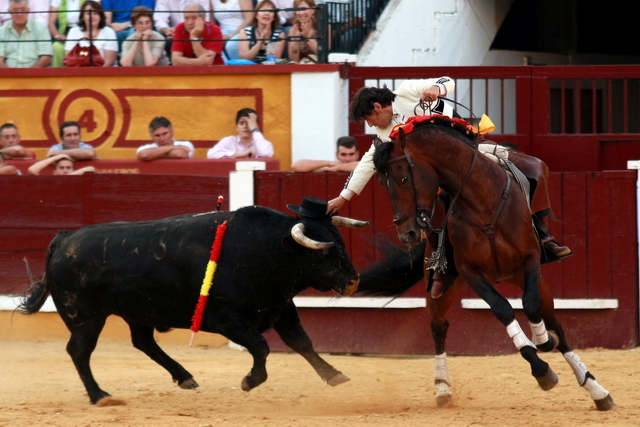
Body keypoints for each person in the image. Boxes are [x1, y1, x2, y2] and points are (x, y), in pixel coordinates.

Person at [327, 78, 571, 260]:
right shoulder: (382, 133)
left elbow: (446, 81)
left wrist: (436, 89)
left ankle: (543, 236)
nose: (370, 124)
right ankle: (439, 262)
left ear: (379, 107)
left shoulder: (405, 92)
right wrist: (343, 197)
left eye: (369, 118)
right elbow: (368, 163)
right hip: (440, 175)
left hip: (469, 148)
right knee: (431, 206)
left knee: (534, 168)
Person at [64, 1, 118, 67]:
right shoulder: (73, 32)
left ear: (100, 16)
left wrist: (94, 75)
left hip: (104, 74)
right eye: (88, 13)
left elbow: (109, 62)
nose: (92, 16)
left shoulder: (109, 32)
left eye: (95, 13)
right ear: (82, 16)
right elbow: (70, 59)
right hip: (79, 74)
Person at [0, 0, 52, 68]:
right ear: (9, 12)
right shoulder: (2, 31)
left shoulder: (41, 28)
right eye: (15, 10)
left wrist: (29, 75)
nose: (19, 14)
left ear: (28, 11)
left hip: (35, 76)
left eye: (23, 10)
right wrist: (10, 76)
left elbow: (46, 58)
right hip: (9, 76)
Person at [207, 108, 274, 158]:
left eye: (248, 123)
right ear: (237, 127)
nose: (245, 126)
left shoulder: (261, 143)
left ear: (254, 126)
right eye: (241, 123)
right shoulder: (229, 141)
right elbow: (211, 154)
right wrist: (241, 154)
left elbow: (267, 153)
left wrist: (255, 129)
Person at [48, 0, 89, 67]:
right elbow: (51, 22)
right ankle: (58, 76)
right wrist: (57, 35)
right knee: (56, 47)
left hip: (85, 30)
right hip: (65, 32)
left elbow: (97, 13)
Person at [291, 136, 359, 172]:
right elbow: (296, 166)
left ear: (357, 155)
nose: (347, 159)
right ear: (337, 155)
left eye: (351, 154)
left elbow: (368, 166)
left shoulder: (364, 166)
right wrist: (328, 163)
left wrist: (338, 168)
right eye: (343, 155)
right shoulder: (329, 167)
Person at [28, 153, 96, 175]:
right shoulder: (51, 182)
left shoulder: (76, 181)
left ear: (73, 170)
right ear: (54, 171)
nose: (65, 171)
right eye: (61, 168)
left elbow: (91, 169)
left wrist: (68, 178)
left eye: (68, 168)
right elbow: (32, 170)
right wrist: (55, 158)